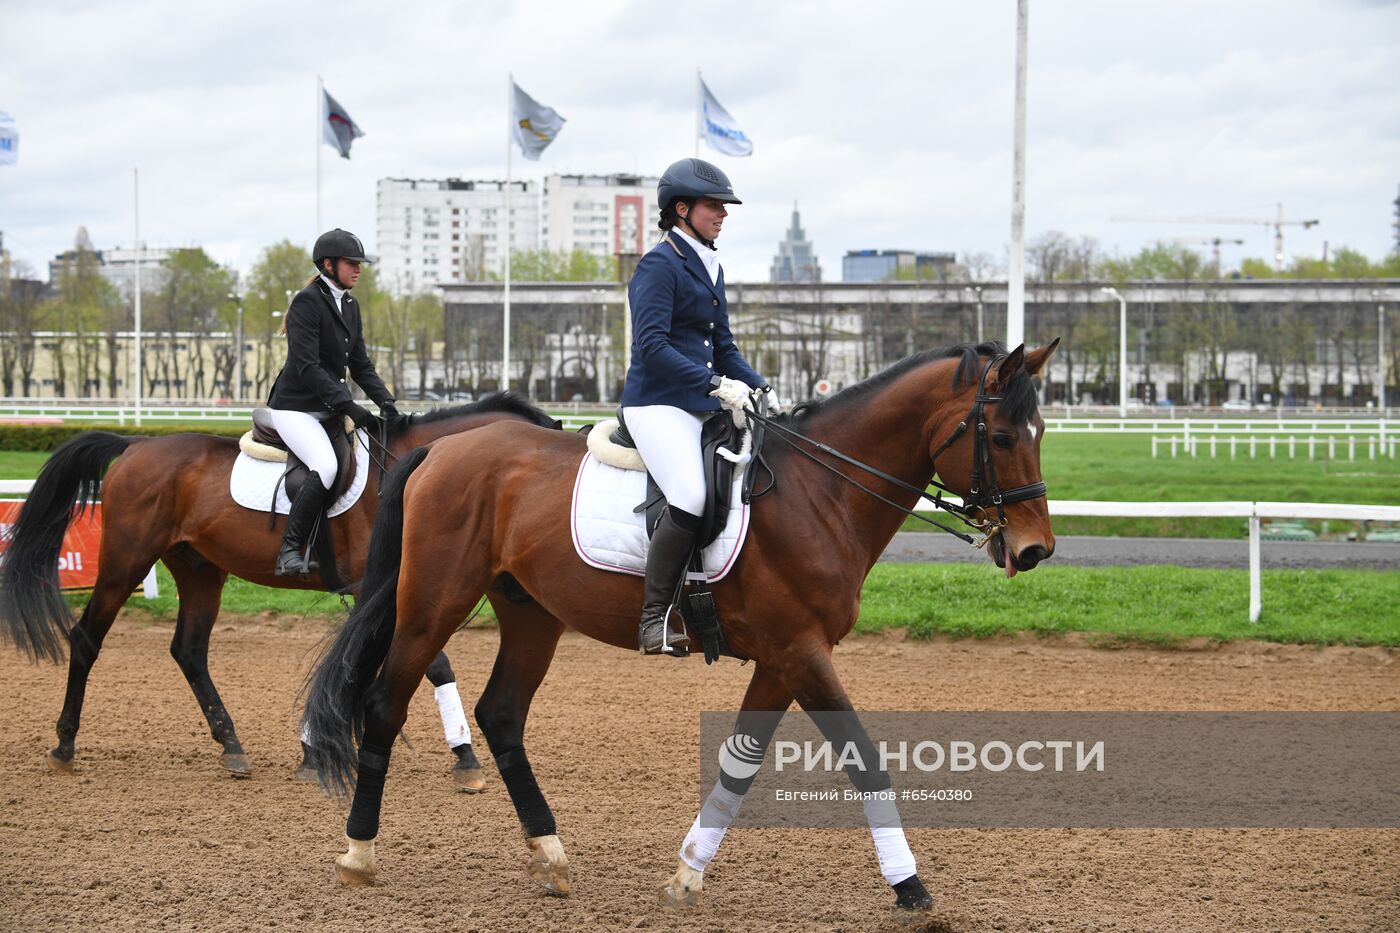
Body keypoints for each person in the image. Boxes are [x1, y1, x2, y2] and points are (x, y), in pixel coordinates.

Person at [619, 158, 776, 655]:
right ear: (681, 209)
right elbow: (652, 347)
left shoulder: (711, 265)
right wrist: (713, 383)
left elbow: (723, 345)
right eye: (715, 205)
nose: (723, 214)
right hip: (657, 404)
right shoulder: (659, 265)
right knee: (690, 494)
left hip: (701, 403)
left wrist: (759, 386)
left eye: (724, 207)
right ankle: (654, 617)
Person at [265, 228, 398, 576]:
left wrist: (387, 403)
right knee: (325, 466)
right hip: (295, 408)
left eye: (359, 264)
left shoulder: (350, 305)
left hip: (327, 408)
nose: (359, 269)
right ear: (328, 264)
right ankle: (289, 550)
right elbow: (308, 367)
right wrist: (350, 406)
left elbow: (360, 365)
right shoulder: (307, 302)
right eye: (351, 263)